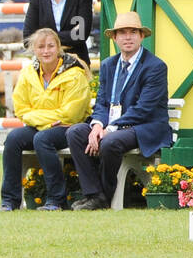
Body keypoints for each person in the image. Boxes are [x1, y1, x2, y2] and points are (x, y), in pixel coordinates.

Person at [66, 11, 172, 211]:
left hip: (143, 127)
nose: (128, 37)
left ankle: (104, 196)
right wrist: (97, 125)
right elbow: (103, 102)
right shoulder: (109, 65)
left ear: (142, 36)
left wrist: (110, 129)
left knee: (110, 141)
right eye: (122, 33)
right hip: (114, 126)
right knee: (75, 133)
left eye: (133, 32)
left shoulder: (155, 67)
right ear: (114, 38)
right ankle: (93, 195)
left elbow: (144, 109)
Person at [0, 27, 92, 211]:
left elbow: (71, 113)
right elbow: (21, 109)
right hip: (48, 124)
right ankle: (9, 200)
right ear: (34, 49)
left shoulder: (74, 73)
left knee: (42, 139)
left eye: (50, 46)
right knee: (13, 139)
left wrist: (37, 117)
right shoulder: (28, 73)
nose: (46, 51)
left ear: (58, 48)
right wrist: (47, 121)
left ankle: (56, 200)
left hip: (70, 127)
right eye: (41, 47)